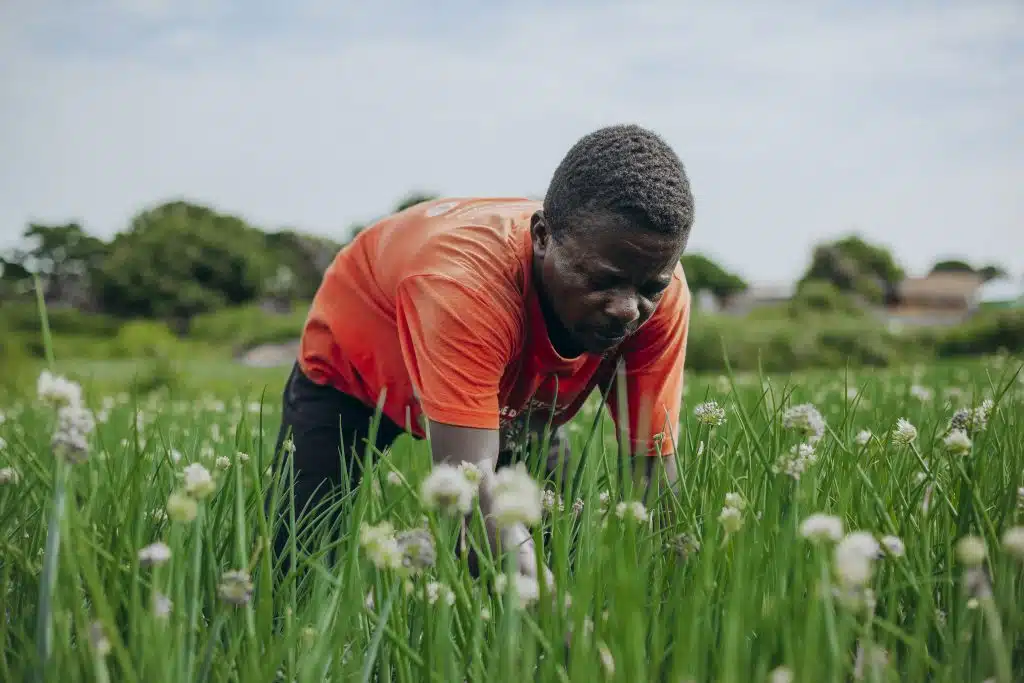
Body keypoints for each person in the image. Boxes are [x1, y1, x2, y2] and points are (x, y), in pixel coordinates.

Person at [268, 123, 695, 584]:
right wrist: (556, 616)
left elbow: (652, 470)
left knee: (557, 541)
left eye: (650, 287)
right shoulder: (464, 283)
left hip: (510, 387)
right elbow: (468, 488)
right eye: (601, 280)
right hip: (359, 364)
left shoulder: (661, 299)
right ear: (543, 236)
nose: (627, 309)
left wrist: (678, 600)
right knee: (301, 559)